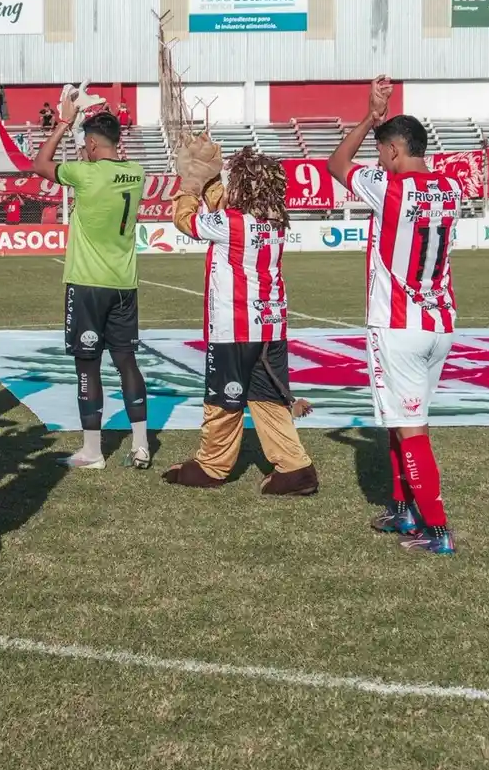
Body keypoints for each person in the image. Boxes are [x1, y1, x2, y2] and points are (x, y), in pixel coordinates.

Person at [328, 76, 462, 555]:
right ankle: (402, 508)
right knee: (400, 418)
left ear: (393, 151)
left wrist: (370, 116)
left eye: (382, 151)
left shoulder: (387, 186)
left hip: (398, 325)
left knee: (410, 427)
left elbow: (336, 164)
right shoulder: (453, 187)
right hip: (439, 321)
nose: (380, 159)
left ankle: (437, 531)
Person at [165, 141, 318, 494]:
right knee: (268, 400)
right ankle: (295, 468)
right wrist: (212, 183)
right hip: (271, 328)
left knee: (223, 401)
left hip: (233, 329)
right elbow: (229, 207)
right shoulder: (276, 222)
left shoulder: (230, 223)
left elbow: (185, 220)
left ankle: (212, 466)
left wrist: (192, 184)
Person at [34, 97, 151, 470]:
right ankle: (141, 446)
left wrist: (63, 123)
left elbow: (39, 163)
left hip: (87, 283)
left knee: (87, 365)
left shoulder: (84, 174)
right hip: (124, 282)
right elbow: (108, 166)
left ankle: (92, 451)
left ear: (93, 143)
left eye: (87, 142)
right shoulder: (137, 172)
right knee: (127, 361)